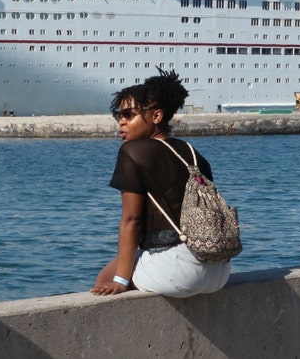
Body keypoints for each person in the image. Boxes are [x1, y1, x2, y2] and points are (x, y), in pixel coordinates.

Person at [91, 69, 231, 298]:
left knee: (106, 278)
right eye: (119, 115)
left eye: (129, 114)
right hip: (219, 270)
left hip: (179, 272)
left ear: (156, 116)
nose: (121, 122)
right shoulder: (194, 154)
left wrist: (120, 280)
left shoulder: (133, 151)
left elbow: (132, 220)